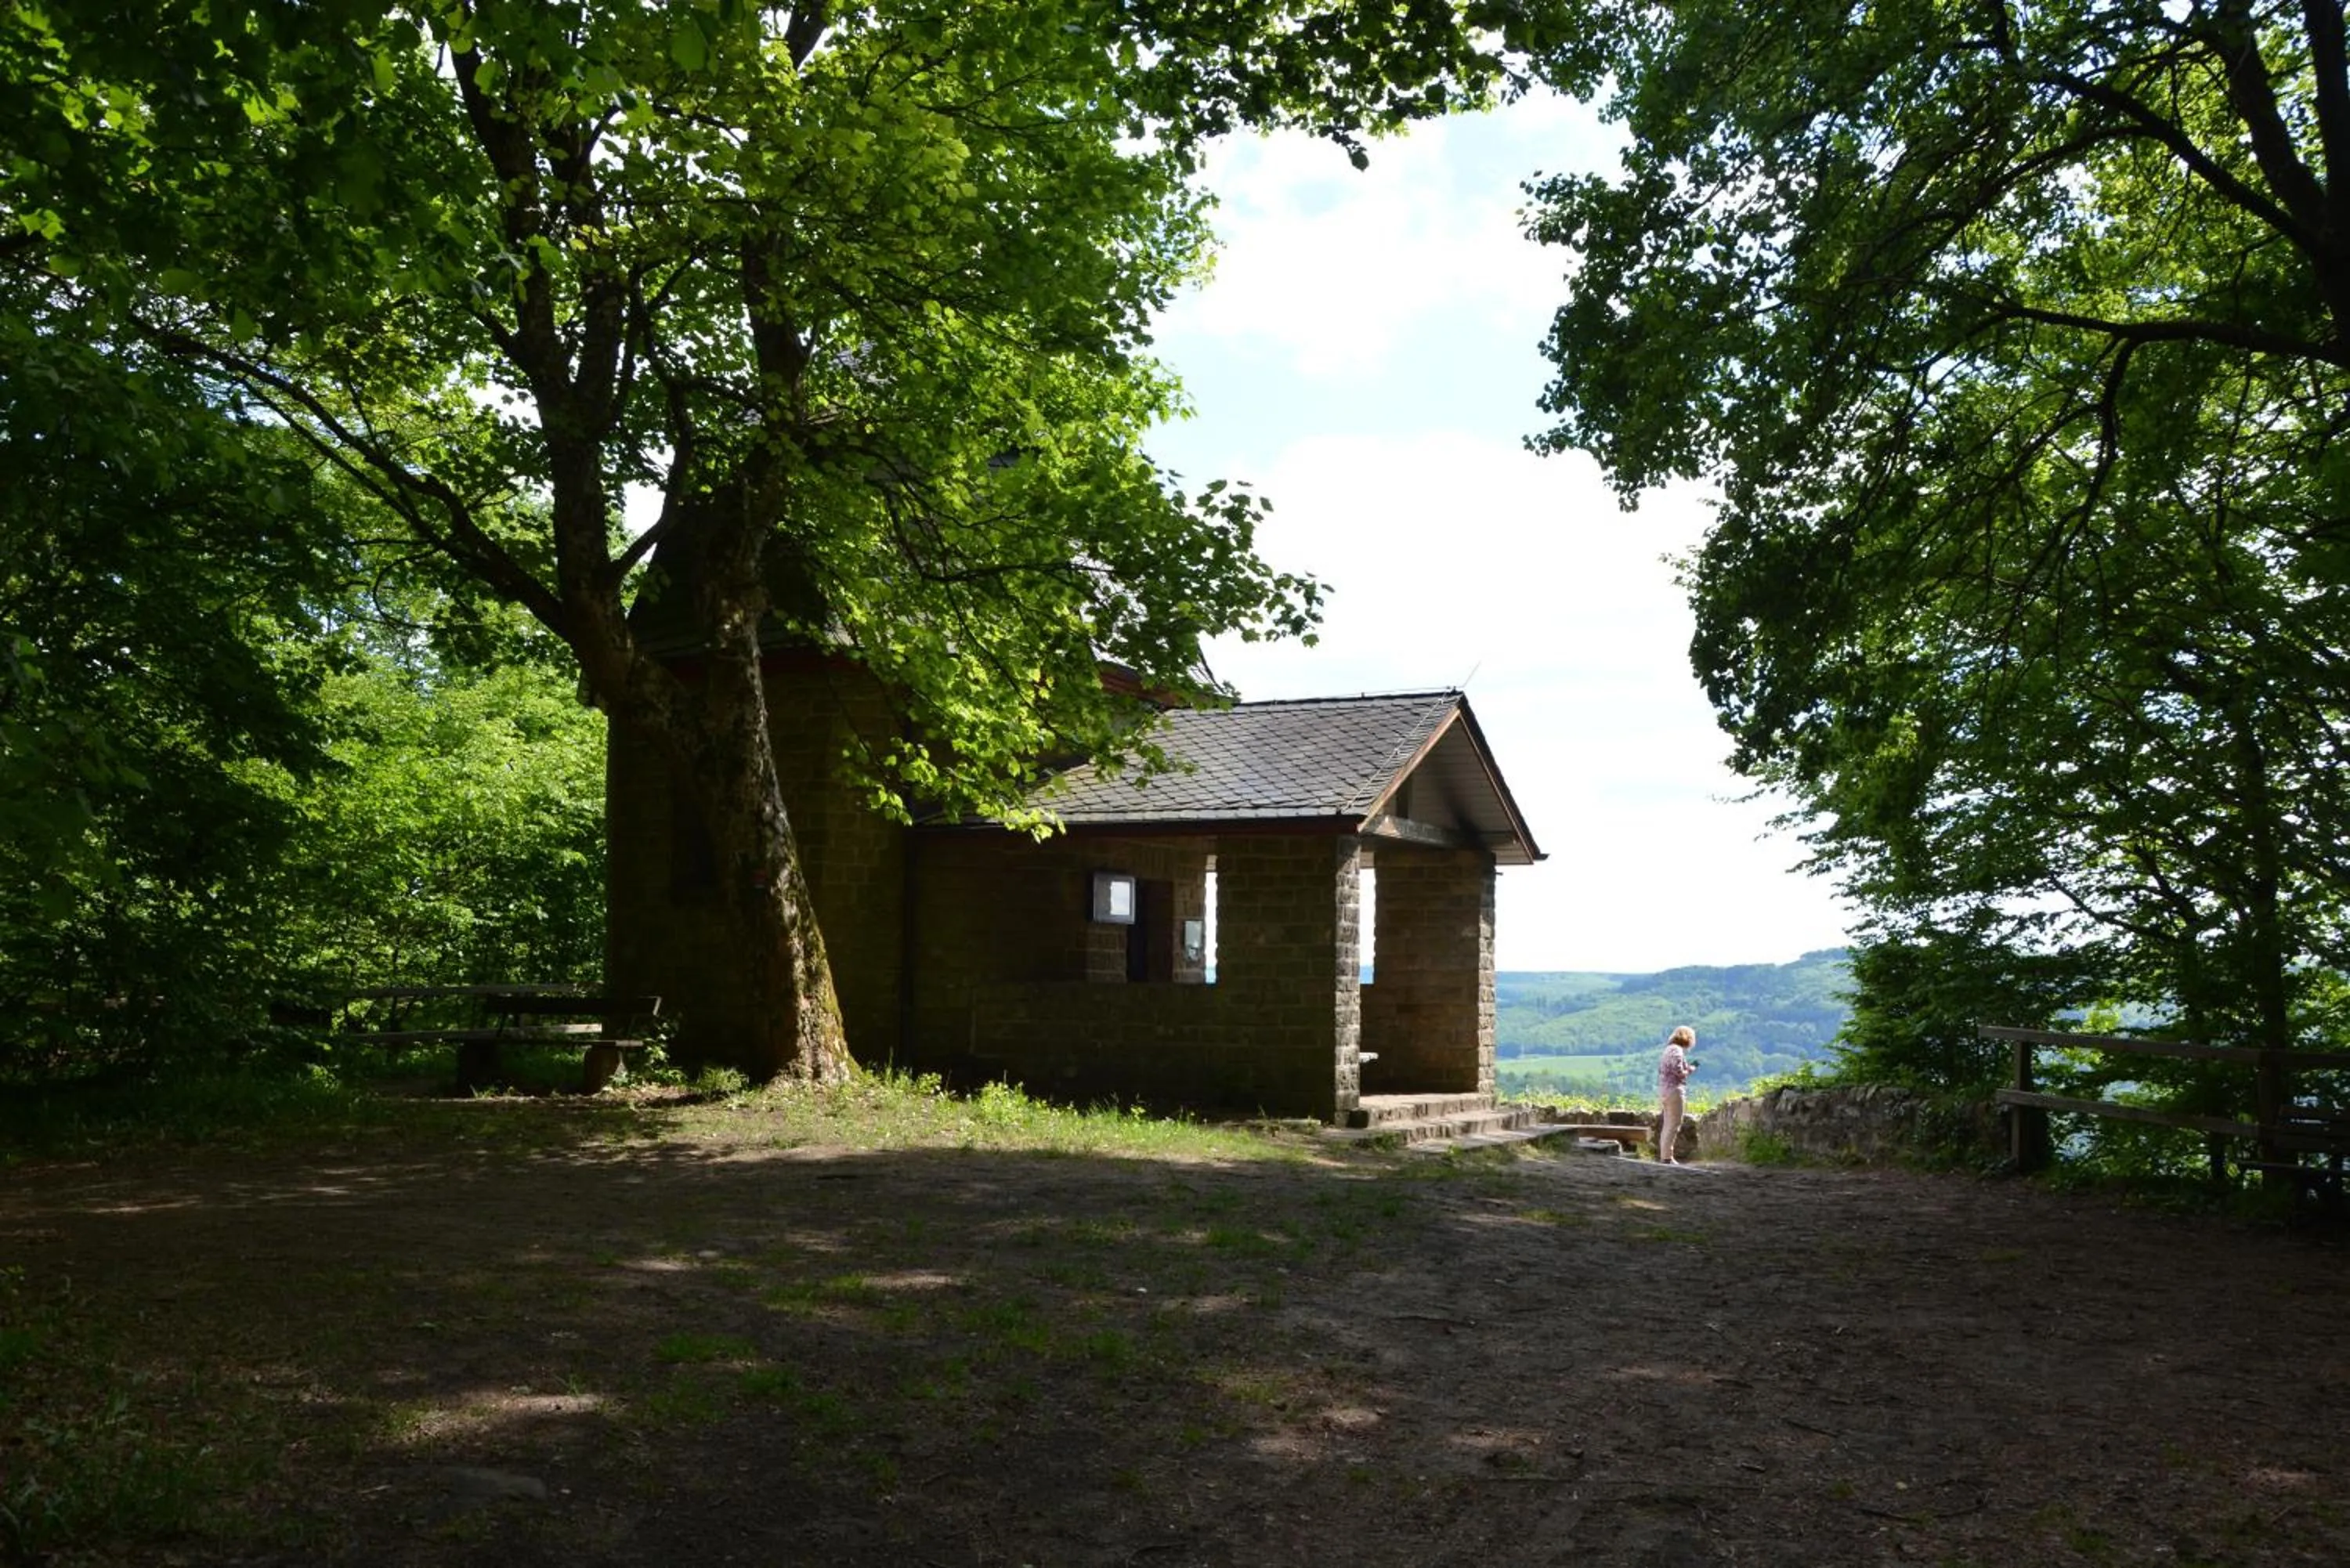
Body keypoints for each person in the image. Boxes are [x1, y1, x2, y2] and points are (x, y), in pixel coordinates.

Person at [1656, 1025, 1696, 1164]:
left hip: (1664, 1090)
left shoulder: (1668, 1050)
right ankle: (1667, 1157)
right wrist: (1690, 1069)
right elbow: (1679, 1072)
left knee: (1667, 1124)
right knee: (1674, 1124)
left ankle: (1665, 1155)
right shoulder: (1677, 1051)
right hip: (1674, 1090)